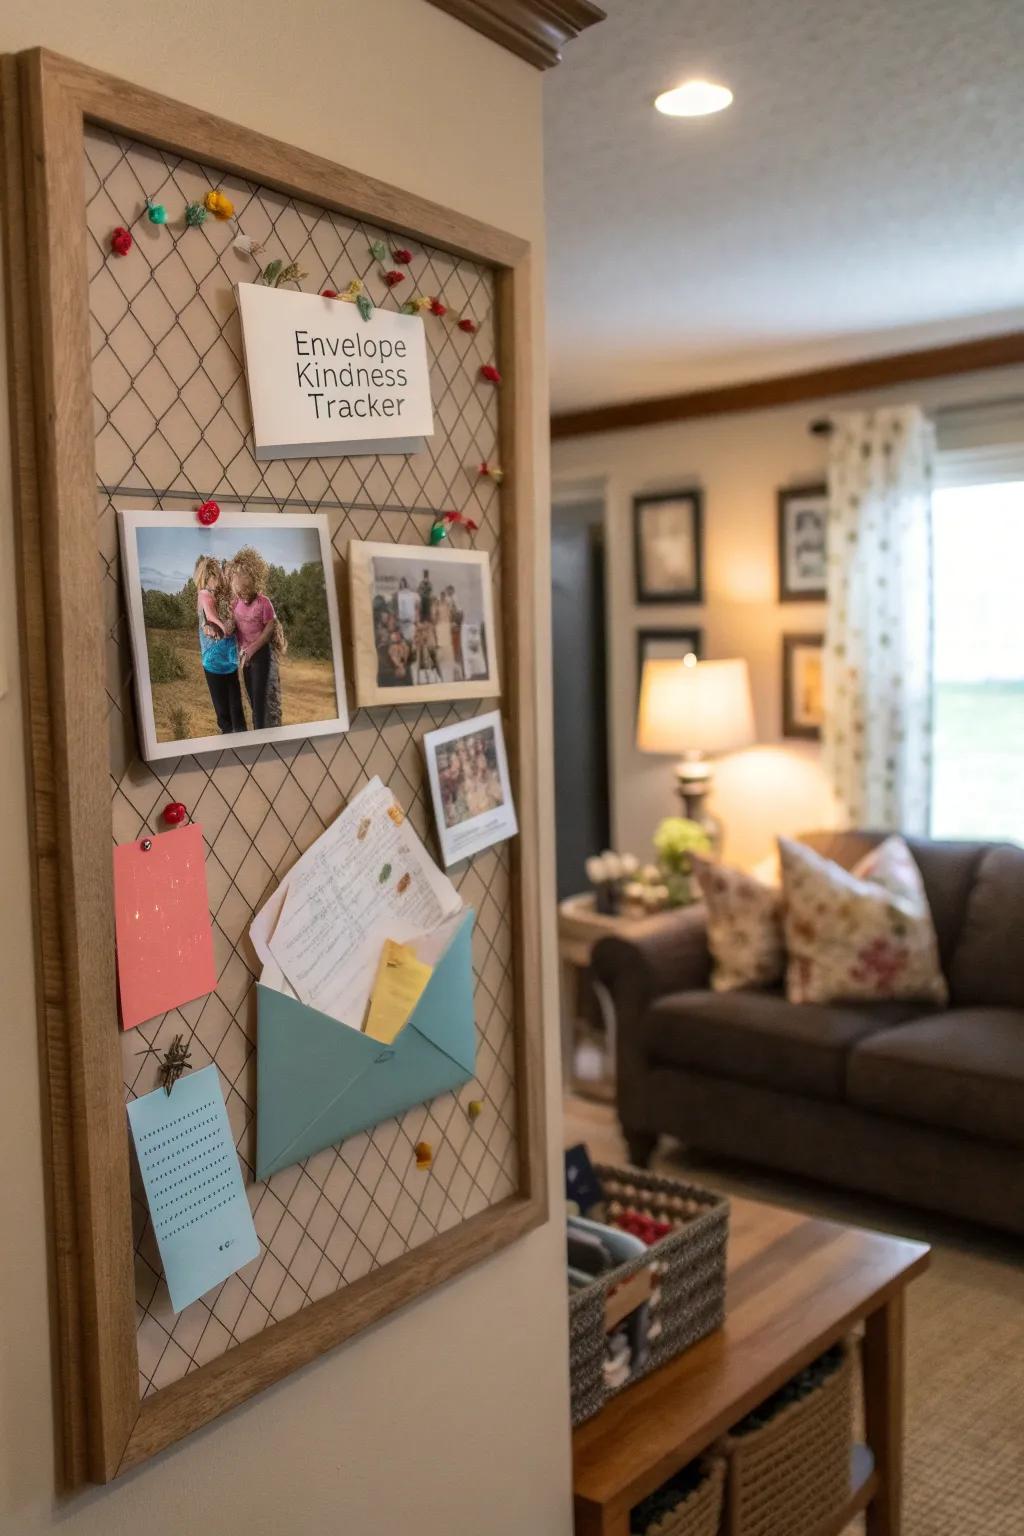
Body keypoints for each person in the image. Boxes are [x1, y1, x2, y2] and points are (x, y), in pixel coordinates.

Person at [228, 546, 284, 729]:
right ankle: (259, 729)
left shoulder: (264, 603)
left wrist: (251, 650)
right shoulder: (236, 602)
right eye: (239, 592)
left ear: (254, 582)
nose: (242, 596)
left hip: (260, 656)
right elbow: (234, 622)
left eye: (245, 591)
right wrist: (229, 626)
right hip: (245, 658)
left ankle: (260, 733)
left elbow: (269, 628)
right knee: (252, 699)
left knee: (260, 704)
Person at [193, 555, 246, 734]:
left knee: (235, 713)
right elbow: (218, 624)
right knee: (227, 717)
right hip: (215, 661)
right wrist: (229, 625)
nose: (220, 578)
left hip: (227, 660)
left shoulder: (216, 595)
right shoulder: (205, 595)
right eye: (217, 575)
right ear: (209, 576)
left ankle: (241, 742)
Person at [395, 576, 419, 643]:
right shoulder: (399, 594)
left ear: (406, 584)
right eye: (401, 584)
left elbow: (415, 605)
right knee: (404, 637)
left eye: (403, 584)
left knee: (411, 637)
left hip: (410, 619)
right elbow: (399, 607)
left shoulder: (411, 594)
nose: (402, 585)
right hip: (402, 619)